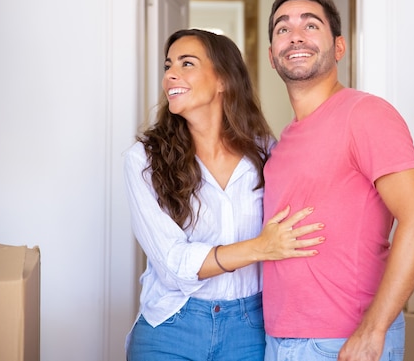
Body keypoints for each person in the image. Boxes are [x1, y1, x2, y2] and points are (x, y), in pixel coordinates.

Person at [123, 28, 325, 361]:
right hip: (172, 326)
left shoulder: (265, 153)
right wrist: (259, 248)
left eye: (187, 63)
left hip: (250, 327)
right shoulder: (144, 160)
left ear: (223, 81)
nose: (170, 74)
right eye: (168, 65)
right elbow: (173, 263)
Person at [262, 0, 414, 361]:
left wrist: (373, 330)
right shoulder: (280, 147)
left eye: (310, 25)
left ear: (339, 47)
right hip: (280, 342)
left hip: (343, 343)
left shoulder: (365, 114)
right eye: (283, 29)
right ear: (271, 57)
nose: (295, 36)